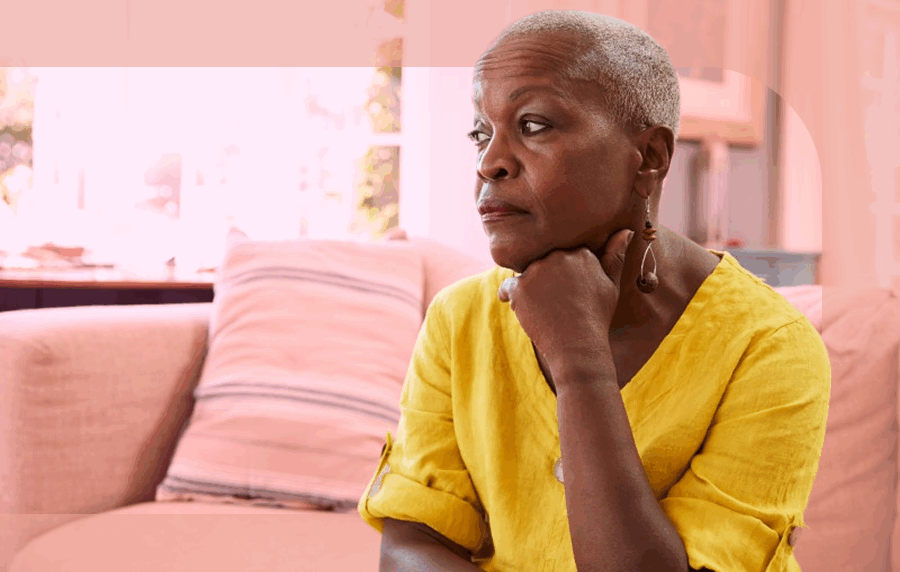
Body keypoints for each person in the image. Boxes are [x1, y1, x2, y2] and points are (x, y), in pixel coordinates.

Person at [357, 10, 830, 572]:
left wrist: (580, 361)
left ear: (649, 157)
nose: (489, 163)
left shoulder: (771, 349)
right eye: (482, 133)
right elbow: (411, 545)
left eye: (533, 125)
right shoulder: (459, 319)